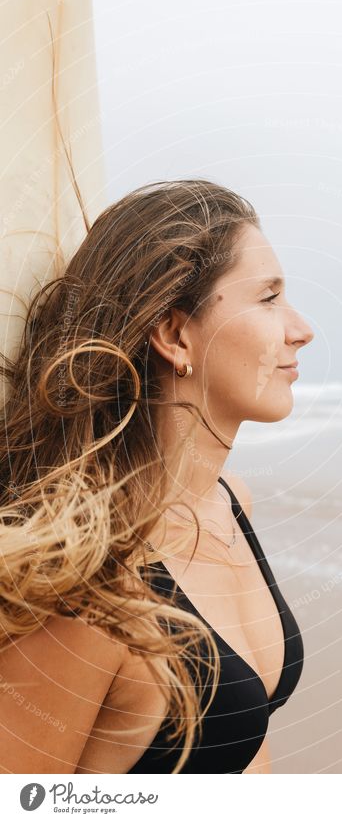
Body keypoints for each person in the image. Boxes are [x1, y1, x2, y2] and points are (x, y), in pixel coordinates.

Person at [0, 179, 314, 774]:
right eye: (269, 298)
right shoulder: (82, 581)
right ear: (174, 334)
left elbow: (243, 752)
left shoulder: (226, 504)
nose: (300, 328)